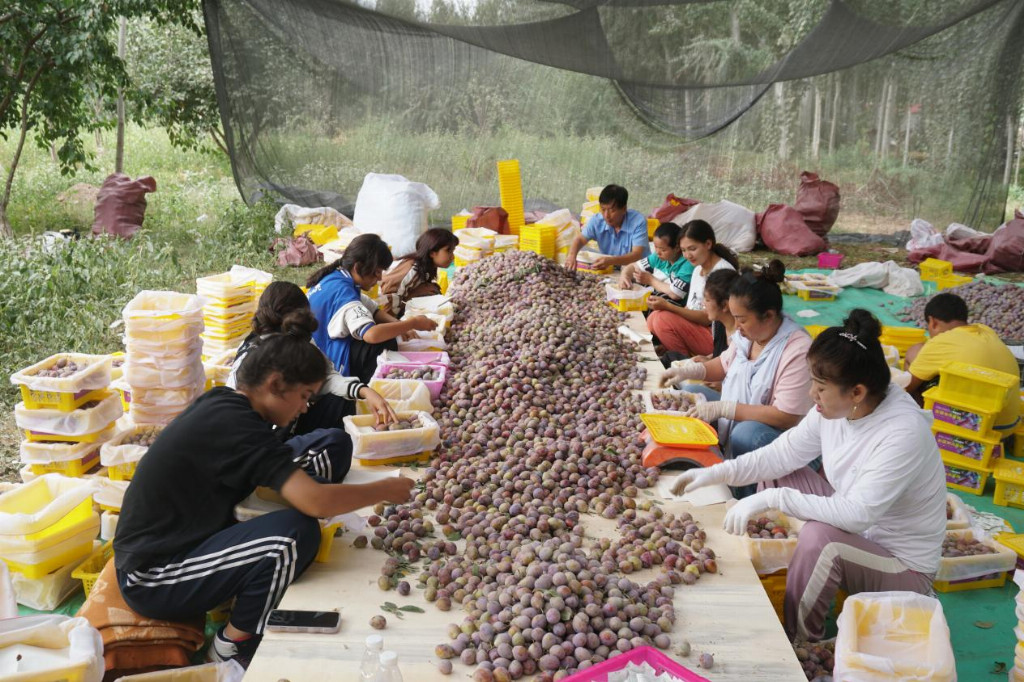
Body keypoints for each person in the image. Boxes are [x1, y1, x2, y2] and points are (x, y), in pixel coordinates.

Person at [114, 322, 416, 668]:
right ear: (274, 385)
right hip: (154, 574)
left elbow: (287, 473)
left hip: (192, 528)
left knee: (332, 441)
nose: (305, 408)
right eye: (304, 396)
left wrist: (321, 489)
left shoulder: (227, 402)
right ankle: (231, 642)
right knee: (293, 534)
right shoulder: (240, 428)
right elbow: (315, 502)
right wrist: (384, 489)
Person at [670, 310, 946, 643]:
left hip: (901, 565)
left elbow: (859, 515)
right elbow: (781, 455)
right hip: (860, 529)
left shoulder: (902, 432)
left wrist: (772, 499)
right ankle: (795, 576)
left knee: (819, 539)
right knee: (777, 477)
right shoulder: (836, 407)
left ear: (857, 392)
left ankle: (801, 641)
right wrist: (716, 472)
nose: (811, 395)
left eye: (820, 387)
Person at [660, 260, 813, 497]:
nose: (737, 327)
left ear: (769, 315)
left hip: (780, 439)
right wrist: (689, 371)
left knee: (745, 434)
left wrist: (726, 408)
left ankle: (747, 494)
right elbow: (723, 364)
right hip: (744, 418)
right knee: (692, 394)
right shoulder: (749, 335)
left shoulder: (797, 349)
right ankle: (711, 464)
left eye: (742, 319)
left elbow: (786, 416)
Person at [228, 282, 397, 482]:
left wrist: (364, 391)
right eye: (303, 396)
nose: (305, 407)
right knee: (337, 444)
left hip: (280, 430)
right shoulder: (264, 359)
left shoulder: (295, 341)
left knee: (339, 402)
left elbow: (327, 376)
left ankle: (297, 465)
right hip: (262, 444)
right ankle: (289, 479)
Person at [307, 234, 438, 383]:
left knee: (387, 330)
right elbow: (371, 335)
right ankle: (365, 386)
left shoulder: (337, 276)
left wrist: (399, 325)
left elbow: (372, 308)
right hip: (332, 359)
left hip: (320, 348)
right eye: (377, 272)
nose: (380, 278)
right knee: (384, 342)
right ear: (358, 267)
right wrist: (413, 323)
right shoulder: (344, 293)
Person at [904, 292, 1020, 431]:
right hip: (1009, 424)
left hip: (978, 430)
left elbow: (906, 387)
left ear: (933, 321)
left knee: (914, 353)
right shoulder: (986, 330)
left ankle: (922, 420)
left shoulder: (942, 342)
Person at [646, 220, 738, 358]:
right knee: (654, 317)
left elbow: (709, 318)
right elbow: (691, 308)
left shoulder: (722, 272)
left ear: (708, 244)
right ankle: (679, 356)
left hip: (719, 339)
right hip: (698, 328)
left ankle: (684, 361)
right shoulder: (698, 270)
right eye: (683, 250)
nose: (687, 255)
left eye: (692, 249)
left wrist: (668, 307)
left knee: (662, 320)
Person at [565, 185, 649, 271]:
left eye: (612, 210)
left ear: (624, 209)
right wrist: (572, 255)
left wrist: (611, 261)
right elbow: (580, 239)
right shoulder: (597, 221)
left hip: (640, 271)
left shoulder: (638, 222)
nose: (606, 215)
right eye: (603, 209)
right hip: (611, 268)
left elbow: (636, 255)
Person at [380, 228, 459, 313]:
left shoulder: (426, 267)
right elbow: (386, 304)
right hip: (383, 313)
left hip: (395, 305)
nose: (453, 257)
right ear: (432, 252)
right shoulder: (412, 270)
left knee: (431, 289)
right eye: (449, 251)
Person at [618, 222, 693, 304]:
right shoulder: (658, 257)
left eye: (663, 249)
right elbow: (633, 267)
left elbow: (675, 294)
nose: (658, 252)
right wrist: (624, 276)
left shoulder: (687, 264)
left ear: (677, 248)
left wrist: (651, 280)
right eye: (656, 247)